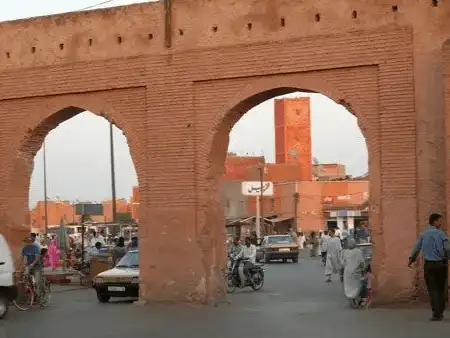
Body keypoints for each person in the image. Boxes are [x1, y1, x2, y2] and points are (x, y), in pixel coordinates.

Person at [408, 213, 450, 321]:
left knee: (432, 289)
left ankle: (436, 313)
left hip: (429, 265)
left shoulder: (423, 235)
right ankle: (440, 311)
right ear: (434, 222)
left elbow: (416, 248)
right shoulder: (442, 235)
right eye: (440, 220)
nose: (441, 222)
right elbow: (447, 249)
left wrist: (411, 259)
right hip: (441, 265)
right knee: (441, 288)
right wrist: (447, 257)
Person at [341, 238, 366, 303]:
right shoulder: (358, 251)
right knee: (356, 286)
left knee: (349, 286)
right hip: (356, 272)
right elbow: (362, 262)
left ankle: (351, 298)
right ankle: (356, 298)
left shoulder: (345, 252)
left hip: (347, 272)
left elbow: (343, 263)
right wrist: (363, 268)